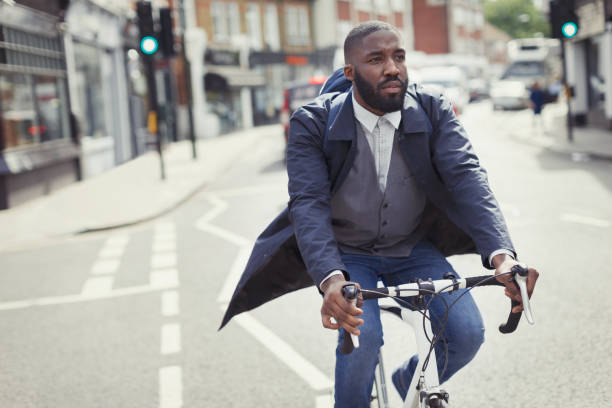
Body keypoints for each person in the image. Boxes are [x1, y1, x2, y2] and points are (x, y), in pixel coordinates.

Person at [220, 21, 539, 407]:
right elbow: (308, 204)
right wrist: (331, 279)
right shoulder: (312, 122)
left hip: (411, 248)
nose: (392, 68)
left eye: (398, 57)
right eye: (377, 59)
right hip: (348, 253)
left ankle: (410, 380)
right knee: (362, 336)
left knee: (468, 333)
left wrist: (503, 255)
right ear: (351, 73)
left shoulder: (433, 109)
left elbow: (468, 178)